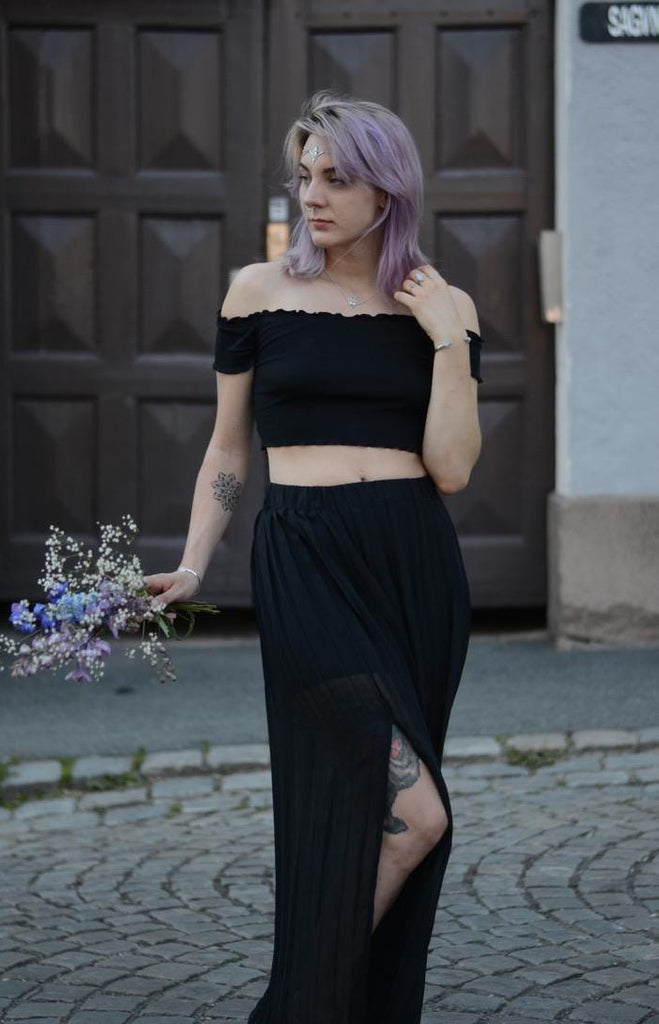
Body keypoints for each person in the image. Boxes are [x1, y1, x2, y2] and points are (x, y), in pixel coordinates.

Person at [144, 88, 485, 1024]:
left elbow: (451, 470)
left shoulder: (441, 303)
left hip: (411, 563)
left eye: (336, 177)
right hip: (305, 557)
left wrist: (448, 341)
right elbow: (228, 445)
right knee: (415, 815)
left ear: (387, 188)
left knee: (387, 818)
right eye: (304, 176)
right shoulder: (258, 291)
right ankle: (297, 1007)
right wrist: (194, 562)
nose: (314, 196)